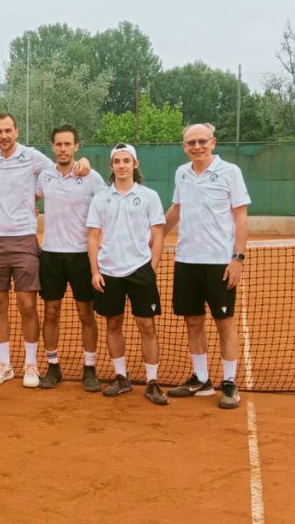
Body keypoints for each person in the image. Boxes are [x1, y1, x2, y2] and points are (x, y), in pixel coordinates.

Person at [0, 113, 90, 387]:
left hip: (24, 241)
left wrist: (83, 163)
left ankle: (31, 365)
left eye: (8, 130)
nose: (4, 135)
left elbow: (59, 170)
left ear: (17, 132)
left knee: (28, 305)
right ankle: (5, 364)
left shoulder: (32, 157)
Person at [164, 123, 250, 409]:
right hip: (186, 261)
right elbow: (176, 210)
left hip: (219, 264)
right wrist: (152, 238)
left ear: (213, 142)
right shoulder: (182, 173)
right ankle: (201, 379)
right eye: (191, 143)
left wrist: (237, 259)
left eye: (202, 141)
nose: (197, 146)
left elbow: (240, 218)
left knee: (224, 323)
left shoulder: (230, 173)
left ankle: (229, 382)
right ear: (184, 146)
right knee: (192, 321)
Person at [86, 143, 168, 405]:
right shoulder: (101, 198)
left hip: (140, 270)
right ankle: (121, 377)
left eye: (126, 161)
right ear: (111, 166)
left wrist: (151, 268)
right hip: (109, 271)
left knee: (147, 325)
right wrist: (95, 271)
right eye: (117, 161)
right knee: (113, 324)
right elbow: (92, 236)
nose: (122, 165)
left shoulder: (149, 196)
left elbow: (158, 234)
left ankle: (152, 381)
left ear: (135, 164)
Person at [36, 123, 105, 391]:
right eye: (59, 144)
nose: (63, 149)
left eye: (68, 144)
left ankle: (89, 367)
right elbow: (28, 198)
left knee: (86, 314)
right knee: (51, 313)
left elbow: (106, 210)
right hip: (51, 255)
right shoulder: (44, 177)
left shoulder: (92, 177)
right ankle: (53, 367)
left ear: (76, 146)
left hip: (82, 257)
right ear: (52, 147)